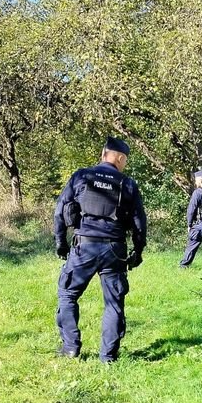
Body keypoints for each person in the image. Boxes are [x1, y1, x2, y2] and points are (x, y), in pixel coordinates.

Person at [53, 137, 148, 363]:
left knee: (67, 295)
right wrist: (138, 251)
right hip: (114, 250)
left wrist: (61, 243)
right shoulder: (127, 183)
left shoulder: (81, 176)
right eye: (126, 160)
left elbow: (60, 211)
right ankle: (108, 357)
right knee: (113, 304)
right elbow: (139, 222)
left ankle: (70, 347)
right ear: (119, 157)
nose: (125, 164)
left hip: (84, 246)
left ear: (104, 153)